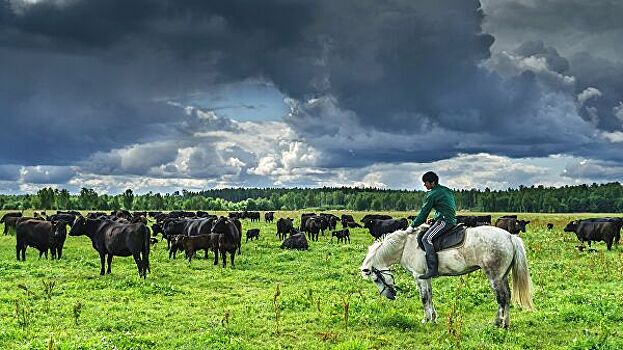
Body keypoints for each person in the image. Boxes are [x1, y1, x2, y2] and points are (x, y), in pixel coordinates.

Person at [407, 171, 456, 279]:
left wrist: (412, 226)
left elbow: (424, 212)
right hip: (449, 219)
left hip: (445, 221)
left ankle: (432, 269)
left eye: (426, 182)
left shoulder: (432, 194)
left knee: (426, 239)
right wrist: (434, 219)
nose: (424, 185)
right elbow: (445, 207)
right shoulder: (446, 190)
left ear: (432, 183)